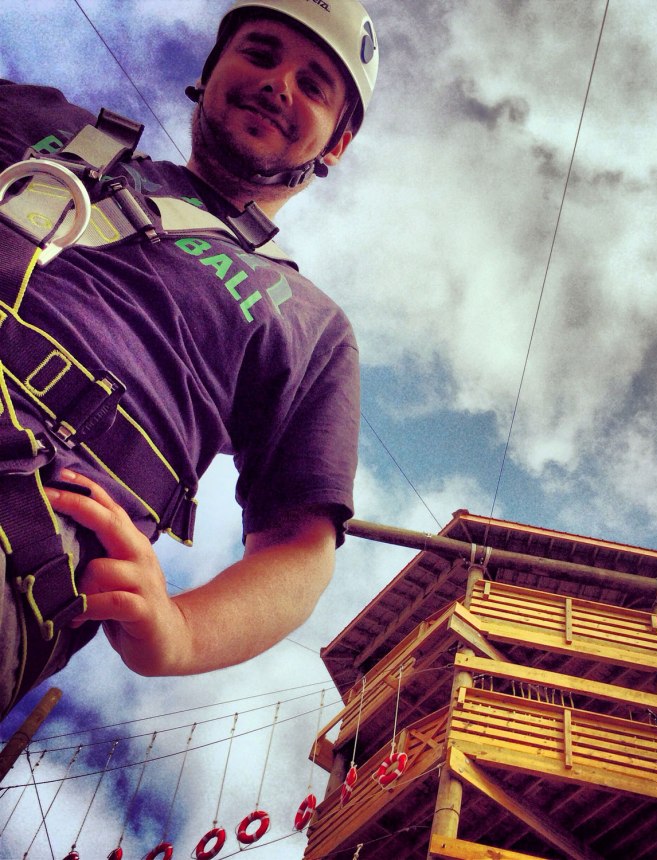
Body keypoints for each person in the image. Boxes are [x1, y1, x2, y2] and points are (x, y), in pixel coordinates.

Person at [0, 0, 378, 718]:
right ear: (210, 76)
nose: (278, 84)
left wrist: (179, 631)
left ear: (337, 144)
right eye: (261, 54)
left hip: (21, 523)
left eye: (314, 85)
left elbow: (300, 546)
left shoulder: (311, 326)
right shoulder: (44, 128)